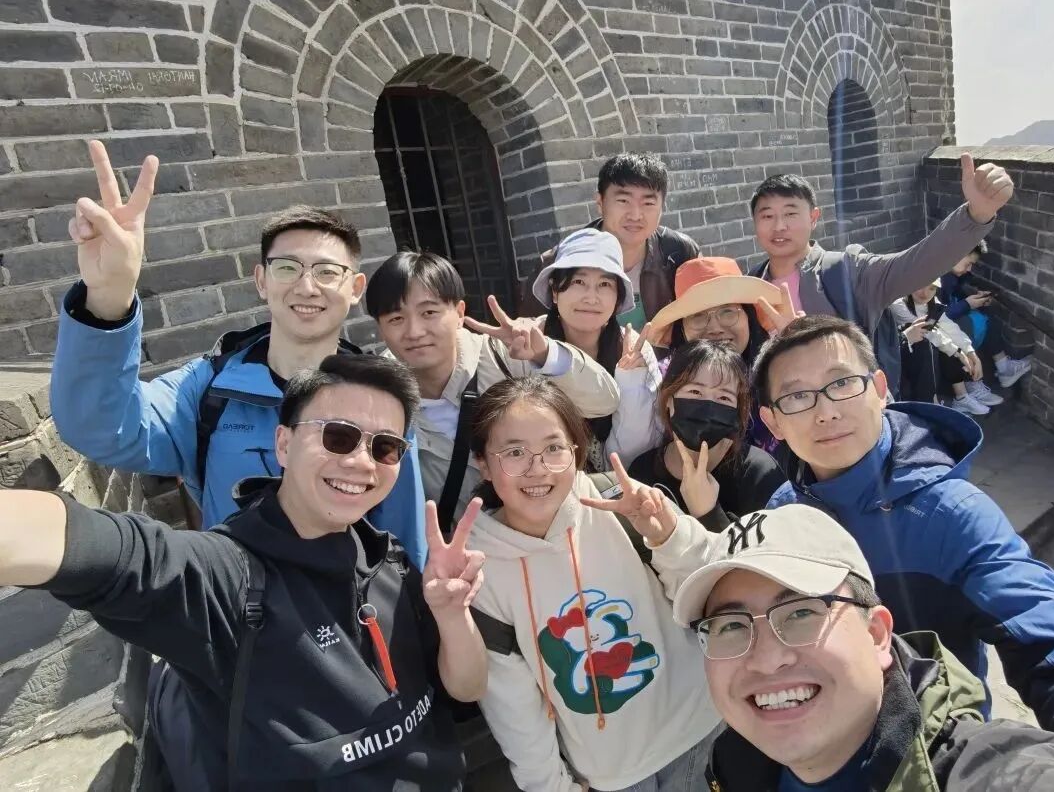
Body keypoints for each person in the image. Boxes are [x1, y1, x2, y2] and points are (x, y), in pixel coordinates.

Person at [0, 354, 488, 790]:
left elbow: (466, 689)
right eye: (338, 436)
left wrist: (452, 614)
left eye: (385, 448)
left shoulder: (388, 558)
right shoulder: (227, 577)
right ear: (284, 443)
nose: (361, 462)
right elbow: (98, 546)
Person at [49, 141, 426, 564]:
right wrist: (108, 297)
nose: (307, 287)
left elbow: (403, 539)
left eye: (326, 272)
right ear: (262, 281)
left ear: (354, 288)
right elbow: (100, 428)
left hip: (347, 599)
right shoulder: (207, 390)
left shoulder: (380, 400)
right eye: (287, 268)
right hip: (237, 598)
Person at [753, 315, 1054, 743]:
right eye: (797, 396)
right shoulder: (783, 510)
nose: (826, 412)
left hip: (934, 747)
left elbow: (1047, 637)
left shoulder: (951, 513)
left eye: (843, 383)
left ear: (880, 389)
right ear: (773, 423)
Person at [669, 505, 1054, 791]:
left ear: (877, 634)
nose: (767, 659)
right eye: (730, 626)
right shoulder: (735, 760)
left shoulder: (989, 772)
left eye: (801, 613)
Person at [464, 375, 722, 792]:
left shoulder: (622, 500)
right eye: (514, 452)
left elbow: (711, 593)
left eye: (554, 448)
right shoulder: (480, 567)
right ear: (483, 463)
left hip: (705, 730)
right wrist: (552, 787)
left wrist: (669, 537)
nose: (537, 469)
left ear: (576, 450)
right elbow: (511, 703)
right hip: (614, 775)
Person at [367, 250, 620, 525]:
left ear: (459, 313)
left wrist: (545, 354)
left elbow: (604, 401)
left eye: (429, 312)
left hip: (557, 528)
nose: (415, 331)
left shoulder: (506, 356)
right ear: (380, 328)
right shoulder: (377, 400)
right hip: (467, 547)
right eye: (396, 319)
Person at [746, 154, 1014, 392]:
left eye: (790, 213)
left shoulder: (848, 271)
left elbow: (916, 264)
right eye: (767, 216)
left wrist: (976, 215)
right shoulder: (750, 284)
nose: (779, 226)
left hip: (853, 415)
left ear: (814, 218)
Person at [530, 227, 664, 470]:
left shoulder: (634, 349)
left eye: (604, 284)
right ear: (555, 291)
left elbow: (637, 454)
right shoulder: (530, 344)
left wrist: (632, 381)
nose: (591, 298)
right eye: (579, 282)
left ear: (617, 297)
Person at [520, 153, 701, 329]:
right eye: (623, 200)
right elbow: (533, 332)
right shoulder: (558, 262)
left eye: (648, 203)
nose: (635, 215)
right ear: (600, 202)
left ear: (662, 207)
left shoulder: (680, 252)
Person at [644, 256, 799, 454]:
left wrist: (797, 351)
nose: (715, 328)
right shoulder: (658, 381)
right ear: (681, 328)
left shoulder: (778, 368)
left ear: (749, 317)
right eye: (698, 316)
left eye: (728, 312)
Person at [628, 340, 785, 531]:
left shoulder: (759, 473)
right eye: (695, 391)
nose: (708, 406)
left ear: (737, 409)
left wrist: (708, 513)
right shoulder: (642, 470)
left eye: (724, 397)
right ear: (668, 398)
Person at [890, 280, 1002, 414]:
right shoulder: (899, 304)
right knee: (936, 344)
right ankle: (932, 404)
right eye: (920, 286)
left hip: (920, 348)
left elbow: (950, 328)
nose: (925, 293)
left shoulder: (933, 303)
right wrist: (958, 353)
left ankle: (961, 397)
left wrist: (971, 354)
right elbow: (927, 332)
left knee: (949, 340)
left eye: (932, 288)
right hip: (899, 353)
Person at [939, 241, 1031, 388]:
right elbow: (937, 315)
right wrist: (967, 304)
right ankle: (971, 383)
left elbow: (955, 296)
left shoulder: (952, 275)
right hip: (937, 330)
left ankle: (1004, 367)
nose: (969, 269)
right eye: (968, 263)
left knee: (985, 315)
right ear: (955, 255)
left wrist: (975, 298)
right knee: (969, 323)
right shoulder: (937, 277)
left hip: (950, 320)